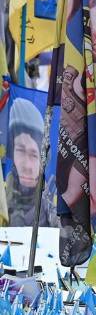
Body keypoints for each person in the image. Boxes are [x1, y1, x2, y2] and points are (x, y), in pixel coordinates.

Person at [5, 97, 54, 226]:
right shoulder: (2, 199)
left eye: (33, 155)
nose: (27, 165)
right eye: (20, 150)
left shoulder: (54, 205)